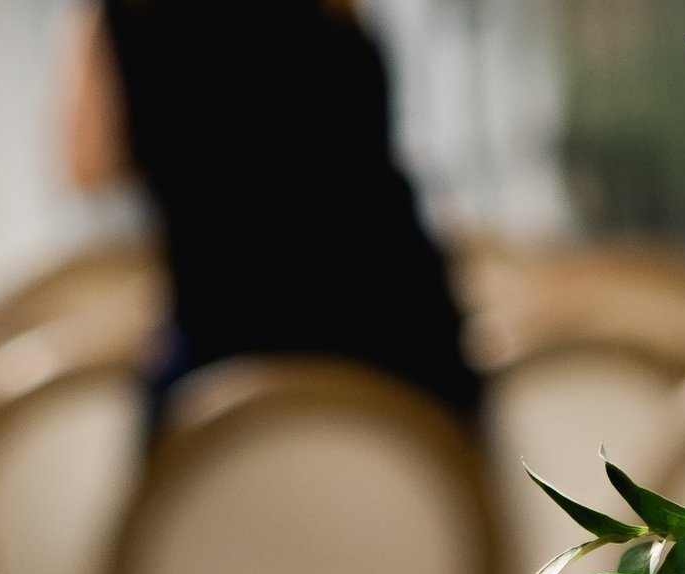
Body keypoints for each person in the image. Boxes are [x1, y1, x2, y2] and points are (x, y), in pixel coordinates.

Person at [66, 0, 479, 422]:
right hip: (395, 323)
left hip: (228, 334)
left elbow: (88, 164)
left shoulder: (129, 13)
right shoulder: (333, 8)